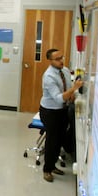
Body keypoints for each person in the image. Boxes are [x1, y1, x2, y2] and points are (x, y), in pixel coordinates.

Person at [39, 48, 82, 183]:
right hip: (50, 111)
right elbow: (58, 98)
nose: (61, 61)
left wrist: (73, 95)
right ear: (50, 61)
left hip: (62, 110)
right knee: (52, 141)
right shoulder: (49, 76)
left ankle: (52, 166)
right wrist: (74, 89)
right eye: (57, 59)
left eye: (62, 57)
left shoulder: (65, 71)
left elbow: (67, 90)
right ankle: (47, 170)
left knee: (60, 139)